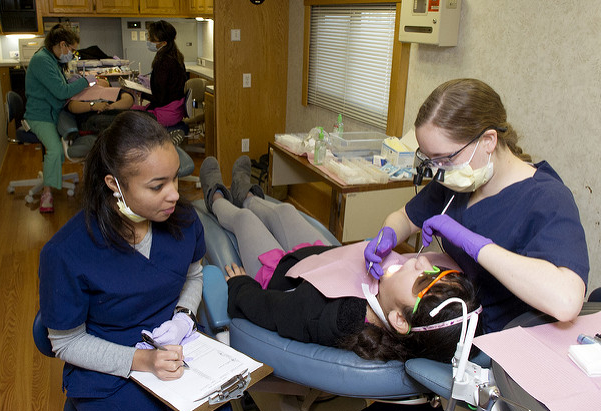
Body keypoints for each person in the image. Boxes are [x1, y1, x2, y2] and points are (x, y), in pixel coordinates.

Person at [38, 111, 231, 411]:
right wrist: (143, 360)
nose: (175, 194)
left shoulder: (183, 220)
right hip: (110, 369)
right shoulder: (67, 252)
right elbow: (66, 341)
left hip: (178, 350)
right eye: (157, 186)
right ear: (115, 183)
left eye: (175, 178)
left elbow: (194, 275)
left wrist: (183, 318)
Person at [199, 156, 481, 363]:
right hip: (321, 257)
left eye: (422, 279)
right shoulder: (393, 297)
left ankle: (215, 197)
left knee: (244, 220)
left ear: (397, 319)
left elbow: (271, 310)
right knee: (283, 210)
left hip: (280, 276)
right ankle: (246, 193)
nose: (421, 262)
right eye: (434, 270)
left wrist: (239, 286)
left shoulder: (334, 316)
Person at [364, 78, 589, 334]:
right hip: (454, 328)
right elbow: (405, 217)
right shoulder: (457, 181)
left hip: (504, 341)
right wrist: (388, 234)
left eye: (444, 158)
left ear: (488, 141)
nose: (438, 169)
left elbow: (567, 301)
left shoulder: (547, 199)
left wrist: (475, 244)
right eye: (429, 159)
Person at [24, 23, 102, 213]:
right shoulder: (42, 60)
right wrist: (88, 80)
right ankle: (47, 193)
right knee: (55, 149)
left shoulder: (51, 59)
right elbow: (60, 91)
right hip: (40, 116)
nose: (72, 54)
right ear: (62, 45)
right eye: (72, 50)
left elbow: (61, 84)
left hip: (51, 111)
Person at [132, 20, 188, 127]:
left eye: (152, 38)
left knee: (127, 115)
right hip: (175, 111)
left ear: (163, 43)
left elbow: (160, 99)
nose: (148, 40)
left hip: (166, 113)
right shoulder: (176, 57)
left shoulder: (163, 62)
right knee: (134, 109)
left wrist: (141, 93)